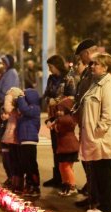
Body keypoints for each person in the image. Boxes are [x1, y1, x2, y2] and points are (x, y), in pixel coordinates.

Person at [76, 53, 111, 212]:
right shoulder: (97, 83)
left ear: (105, 67)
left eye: (96, 64)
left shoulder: (108, 85)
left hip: (103, 138)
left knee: (104, 173)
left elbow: (108, 114)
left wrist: (96, 132)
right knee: (99, 172)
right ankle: (102, 204)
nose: (92, 66)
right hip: (96, 137)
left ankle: (106, 207)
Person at [72, 39, 99, 206]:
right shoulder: (88, 71)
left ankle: (95, 197)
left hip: (91, 123)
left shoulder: (96, 72)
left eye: (82, 55)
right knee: (86, 159)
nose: (80, 59)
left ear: (87, 53)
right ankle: (91, 194)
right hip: (84, 121)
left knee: (92, 161)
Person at [42, 54, 76, 188]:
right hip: (52, 114)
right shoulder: (51, 78)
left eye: (51, 67)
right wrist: (48, 100)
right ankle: (57, 177)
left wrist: (56, 101)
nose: (49, 70)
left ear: (57, 66)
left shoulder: (68, 78)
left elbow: (71, 97)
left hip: (63, 116)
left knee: (65, 148)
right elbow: (46, 94)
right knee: (55, 147)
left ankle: (67, 180)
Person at [0, 54, 20, 187]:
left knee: (10, 156)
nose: (3, 65)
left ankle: (14, 178)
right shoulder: (7, 72)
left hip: (6, 109)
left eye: (4, 62)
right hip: (4, 109)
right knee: (6, 155)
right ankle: (10, 177)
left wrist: (5, 106)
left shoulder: (11, 73)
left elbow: (8, 91)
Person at [16, 88, 41, 197]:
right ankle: (29, 184)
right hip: (24, 140)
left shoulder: (34, 108)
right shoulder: (27, 110)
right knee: (26, 164)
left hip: (30, 141)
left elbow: (24, 109)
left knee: (31, 165)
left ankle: (35, 186)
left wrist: (20, 98)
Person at [53, 97, 79, 196]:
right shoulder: (64, 119)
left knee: (66, 167)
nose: (58, 112)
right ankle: (66, 185)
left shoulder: (67, 119)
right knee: (63, 166)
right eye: (58, 110)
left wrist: (55, 124)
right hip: (66, 147)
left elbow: (59, 125)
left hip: (69, 147)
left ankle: (72, 186)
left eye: (61, 110)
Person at [1, 87, 25, 194]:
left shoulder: (19, 109)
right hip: (11, 136)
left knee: (18, 160)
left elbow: (8, 109)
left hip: (16, 136)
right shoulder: (13, 111)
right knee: (12, 160)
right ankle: (14, 181)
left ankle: (19, 183)